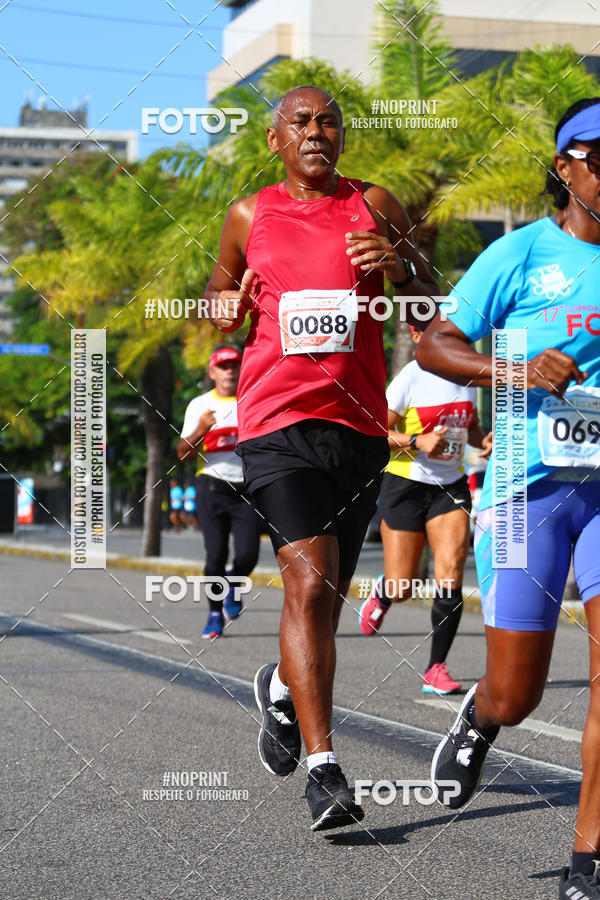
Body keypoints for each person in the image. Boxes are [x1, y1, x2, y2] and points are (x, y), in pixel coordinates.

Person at [206, 85, 438, 830]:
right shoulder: (250, 214)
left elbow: (430, 305)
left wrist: (399, 267)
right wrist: (225, 303)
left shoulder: (376, 204)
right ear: (276, 141)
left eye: (328, 120)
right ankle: (325, 768)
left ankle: (278, 686)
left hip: (361, 426)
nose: (317, 131)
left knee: (328, 593)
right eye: (300, 122)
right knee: (308, 578)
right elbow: (217, 294)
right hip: (276, 421)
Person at [416, 98, 600, 897]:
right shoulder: (522, 254)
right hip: (529, 494)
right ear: (564, 167)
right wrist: (517, 370)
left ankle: (588, 859)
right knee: (517, 690)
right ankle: (481, 717)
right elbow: (434, 343)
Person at [358, 324, 492, 696]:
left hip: (449, 487)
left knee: (450, 573)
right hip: (404, 485)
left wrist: (485, 440)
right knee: (404, 583)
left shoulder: (466, 374)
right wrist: (417, 440)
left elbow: (471, 427)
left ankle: (436, 668)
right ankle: (385, 593)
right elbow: (374, 430)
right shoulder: (410, 378)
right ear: (418, 338)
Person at [177, 345, 261, 639]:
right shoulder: (199, 406)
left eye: (234, 365)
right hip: (212, 487)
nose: (230, 372)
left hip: (247, 490)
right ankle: (214, 614)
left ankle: (234, 584)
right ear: (212, 372)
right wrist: (201, 429)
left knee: (249, 553)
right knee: (215, 556)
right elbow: (182, 453)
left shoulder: (253, 401)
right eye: (223, 367)